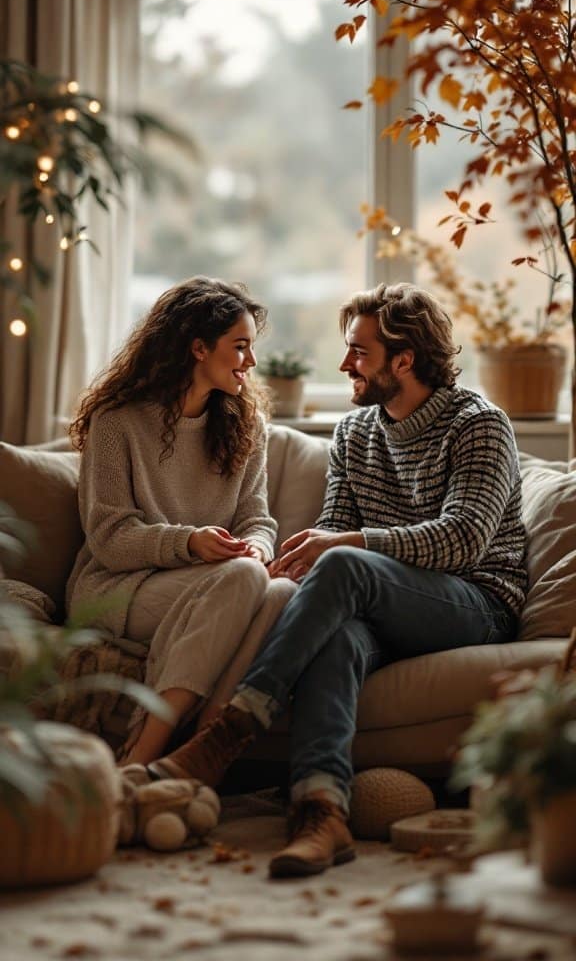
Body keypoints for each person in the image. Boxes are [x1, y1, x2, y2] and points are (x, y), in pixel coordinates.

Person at [122, 282, 528, 879]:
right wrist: (277, 566)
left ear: (405, 359)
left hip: (475, 602)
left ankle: (229, 731)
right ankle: (321, 812)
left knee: (341, 563)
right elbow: (332, 532)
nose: (344, 365)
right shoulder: (354, 433)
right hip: (381, 603)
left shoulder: (479, 426)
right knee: (333, 635)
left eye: (358, 353)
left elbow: (462, 540)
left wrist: (346, 546)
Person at [66, 276, 296, 766]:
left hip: (217, 582)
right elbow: (108, 538)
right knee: (244, 580)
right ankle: (140, 757)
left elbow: (258, 518)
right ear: (197, 348)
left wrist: (257, 546)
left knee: (282, 592)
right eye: (240, 347)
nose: (251, 362)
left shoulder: (246, 426)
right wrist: (189, 544)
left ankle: (196, 753)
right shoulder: (118, 421)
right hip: (119, 586)